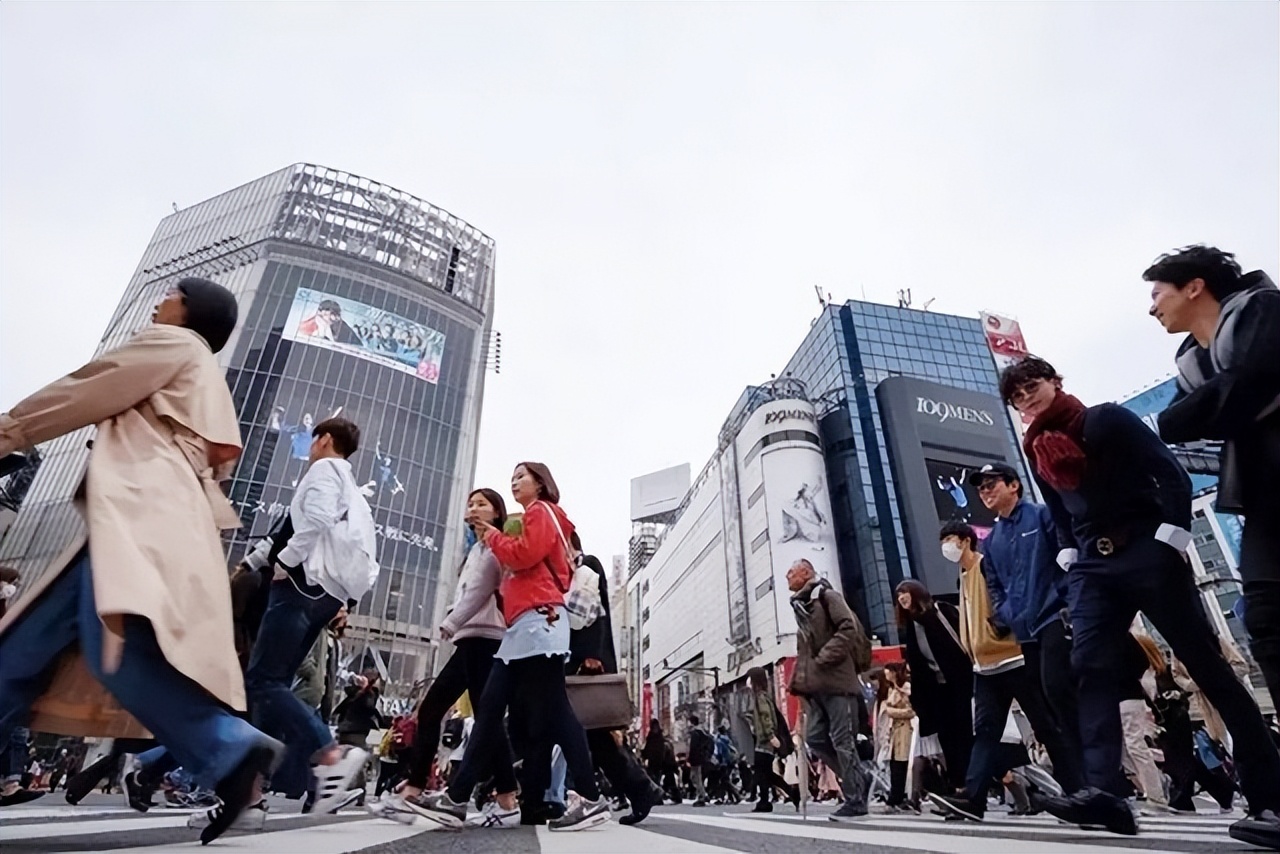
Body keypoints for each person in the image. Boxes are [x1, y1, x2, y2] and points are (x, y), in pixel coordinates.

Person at [0, 278, 288, 843]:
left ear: (189, 312)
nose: (160, 302)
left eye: (171, 295)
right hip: (142, 517)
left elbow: (87, 388)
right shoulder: (203, 375)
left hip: (138, 512)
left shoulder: (175, 346)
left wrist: (8, 433)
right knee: (21, 652)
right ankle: (228, 748)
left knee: (116, 648)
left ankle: (229, 748)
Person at [1001, 355, 1280, 845]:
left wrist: (1171, 540)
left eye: (1033, 385)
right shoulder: (1038, 451)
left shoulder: (1104, 418)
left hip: (1145, 548)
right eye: (1018, 396)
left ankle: (1269, 795)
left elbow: (1169, 472)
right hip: (1092, 565)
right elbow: (1061, 509)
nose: (1028, 397)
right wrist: (1069, 552)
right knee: (1089, 666)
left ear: (1054, 381)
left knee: (1205, 665)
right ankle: (1105, 795)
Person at [409, 462, 611, 832]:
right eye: (512, 478)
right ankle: (456, 799)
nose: (515, 483)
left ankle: (590, 796)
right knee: (491, 710)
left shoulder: (542, 512)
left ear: (540, 483)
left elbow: (524, 555)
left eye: (522, 477)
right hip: (524, 627)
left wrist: (494, 538)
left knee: (554, 712)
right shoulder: (535, 517)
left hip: (540, 622)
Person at [1146, 245, 1280, 712]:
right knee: (1265, 619)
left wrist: (1170, 422)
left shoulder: (1263, 309)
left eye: (1158, 292)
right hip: (1262, 494)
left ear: (1194, 286)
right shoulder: (1192, 364)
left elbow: (1248, 384)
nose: (1152, 306)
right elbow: (1192, 415)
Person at [242, 416, 380, 820]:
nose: (309, 445)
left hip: (300, 586)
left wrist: (284, 562)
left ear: (323, 440)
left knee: (263, 682)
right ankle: (250, 792)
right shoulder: (352, 488)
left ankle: (330, 754)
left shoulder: (323, 471)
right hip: (326, 593)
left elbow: (314, 521)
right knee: (273, 688)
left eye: (311, 438)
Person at [928, 521, 1083, 824]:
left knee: (1046, 727)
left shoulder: (987, 566)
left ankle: (1078, 793)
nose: (946, 546)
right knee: (985, 734)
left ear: (966, 540)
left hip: (1014, 658)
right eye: (943, 540)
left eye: (949, 539)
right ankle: (973, 799)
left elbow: (1013, 598)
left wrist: (1004, 625)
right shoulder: (963, 577)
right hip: (984, 668)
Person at [372, 488, 508, 823]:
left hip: (485, 640)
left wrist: (450, 622)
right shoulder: (474, 549)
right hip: (470, 640)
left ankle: (418, 788)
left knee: (464, 715)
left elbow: (480, 592)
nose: (474, 508)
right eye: (471, 503)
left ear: (496, 513)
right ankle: (504, 796)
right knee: (445, 712)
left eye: (482, 504)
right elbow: (467, 592)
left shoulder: (494, 546)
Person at [968, 462, 1084, 776]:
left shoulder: (1043, 515)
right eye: (981, 488)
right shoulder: (991, 541)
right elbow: (994, 584)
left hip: (1055, 617)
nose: (985, 491)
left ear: (1014, 485)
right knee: (1047, 702)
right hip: (1024, 632)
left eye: (992, 483)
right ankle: (1079, 780)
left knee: (1059, 689)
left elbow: (1070, 555)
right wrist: (1006, 613)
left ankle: (1100, 777)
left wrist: (1068, 601)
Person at [786, 558, 871, 820]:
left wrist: (825, 657)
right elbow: (805, 652)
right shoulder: (803, 606)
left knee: (843, 741)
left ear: (806, 572)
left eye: (792, 571)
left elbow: (849, 628)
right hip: (818, 687)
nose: (787, 576)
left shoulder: (827, 596)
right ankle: (858, 778)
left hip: (838, 683)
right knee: (816, 738)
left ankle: (856, 799)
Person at [894, 579, 972, 793]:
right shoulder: (911, 626)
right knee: (946, 736)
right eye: (899, 595)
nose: (901, 598)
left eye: (905, 592)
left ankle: (974, 783)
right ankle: (958, 786)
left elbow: (963, 640)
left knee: (964, 733)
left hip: (960, 683)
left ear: (916, 593)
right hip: (937, 690)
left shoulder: (941, 612)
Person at [1121, 633, 1171, 814]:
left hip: (1125, 697)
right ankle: (1153, 787)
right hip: (1123, 697)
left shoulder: (1119, 638)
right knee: (1127, 749)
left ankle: (1155, 795)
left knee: (1134, 746)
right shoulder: (1119, 637)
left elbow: (1140, 664)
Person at [746, 667, 796, 813]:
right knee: (766, 773)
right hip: (765, 739)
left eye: (749, 678)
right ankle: (791, 793)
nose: (747, 681)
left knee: (762, 773)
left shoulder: (760, 697)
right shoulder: (763, 696)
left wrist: (770, 736)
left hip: (765, 740)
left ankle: (765, 802)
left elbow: (765, 717)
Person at [332, 671, 387, 805]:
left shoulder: (352, 693)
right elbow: (369, 708)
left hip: (345, 731)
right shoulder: (368, 694)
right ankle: (358, 791)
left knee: (343, 763)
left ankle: (340, 792)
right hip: (358, 732)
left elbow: (339, 711)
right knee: (358, 763)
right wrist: (381, 722)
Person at [881, 662, 915, 813]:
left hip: (906, 729)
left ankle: (901, 796)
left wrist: (891, 711)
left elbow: (911, 711)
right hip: (895, 730)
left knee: (902, 764)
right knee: (895, 764)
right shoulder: (891, 689)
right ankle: (896, 796)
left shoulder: (906, 687)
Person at [687, 715, 714, 807]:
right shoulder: (701, 732)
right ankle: (703, 794)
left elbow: (693, 747)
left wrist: (690, 758)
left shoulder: (695, 733)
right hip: (700, 758)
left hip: (696, 759)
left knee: (696, 778)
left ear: (692, 722)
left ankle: (701, 796)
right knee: (695, 777)